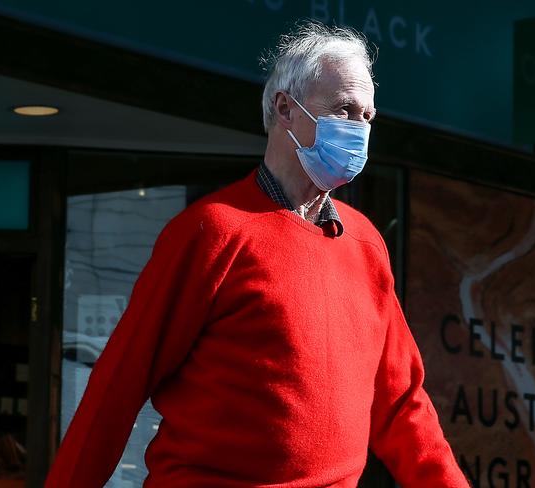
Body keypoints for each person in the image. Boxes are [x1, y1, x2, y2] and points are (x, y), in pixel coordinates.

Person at [45, 21, 470, 488]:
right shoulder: (213, 231)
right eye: (344, 110)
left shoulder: (365, 245)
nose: (359, 130)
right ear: (285, 108)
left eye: (367, 118)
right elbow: (117, 387)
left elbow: (402, 406)